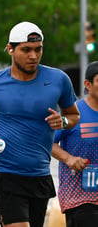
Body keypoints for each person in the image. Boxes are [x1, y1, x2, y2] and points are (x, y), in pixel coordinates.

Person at [0, 21, 80, 227]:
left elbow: (73, 116)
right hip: (6, 174)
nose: (33, 55)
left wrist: (63, 121)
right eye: (26, 50)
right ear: (10, 49)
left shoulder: (58, 80)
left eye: (38, 49)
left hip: (40, 175)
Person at [52, 61, 98, 227]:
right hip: (79, 197)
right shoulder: (73, 113)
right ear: (88, 84)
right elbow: (47, 141)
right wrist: (69, 158)